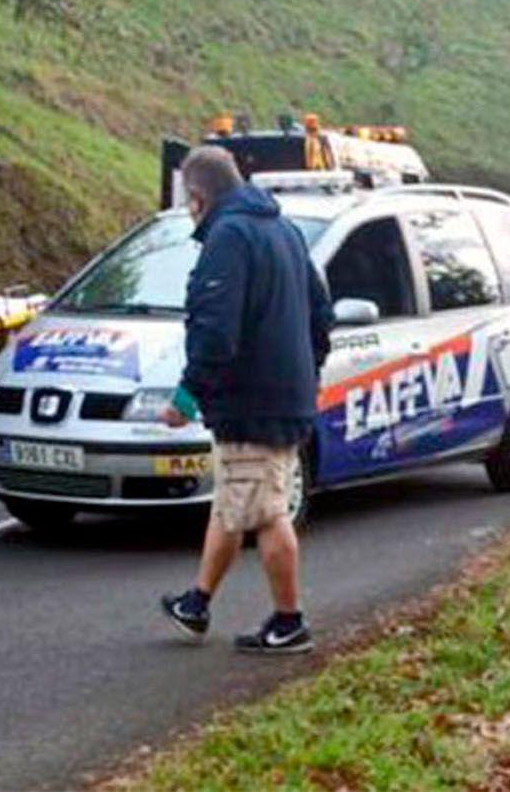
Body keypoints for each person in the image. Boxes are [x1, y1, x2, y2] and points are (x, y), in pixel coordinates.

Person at [160, 146, 334, 655]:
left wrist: (187, 398)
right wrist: (304, 372)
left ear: (197, 197)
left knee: (267, 512)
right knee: (236, 497)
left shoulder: (228, 238)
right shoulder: (283, 232)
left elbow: (215, 331)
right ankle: (197, 602)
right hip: (281, 394)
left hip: (251, 402)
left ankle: (289, 621)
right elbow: (320, 315)